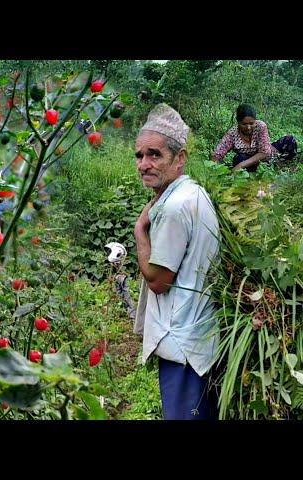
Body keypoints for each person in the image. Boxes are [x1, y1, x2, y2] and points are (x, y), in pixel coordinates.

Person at [133, 104, 220, 420]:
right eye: (139, 155)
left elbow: (158, 281)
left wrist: (140, 232)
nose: (144, 164)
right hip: (197, 339)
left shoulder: (173, 208)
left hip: (183, 345)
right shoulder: (191, 191)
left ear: (179, 158)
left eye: (154, 154)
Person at [212, 103, 297, 172]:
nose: (248, 127)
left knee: (290, 139)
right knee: (238, 159)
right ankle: (259, 170)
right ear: (238, 122)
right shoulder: (232, 134)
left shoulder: (261, 126)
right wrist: (214, 169)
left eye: (251, 123)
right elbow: (217, 154)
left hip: (270, 154)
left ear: (255, 121)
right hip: (251, 162)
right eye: (244, 124)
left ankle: (283, 164)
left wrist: (241, 165)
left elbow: (264, 152)